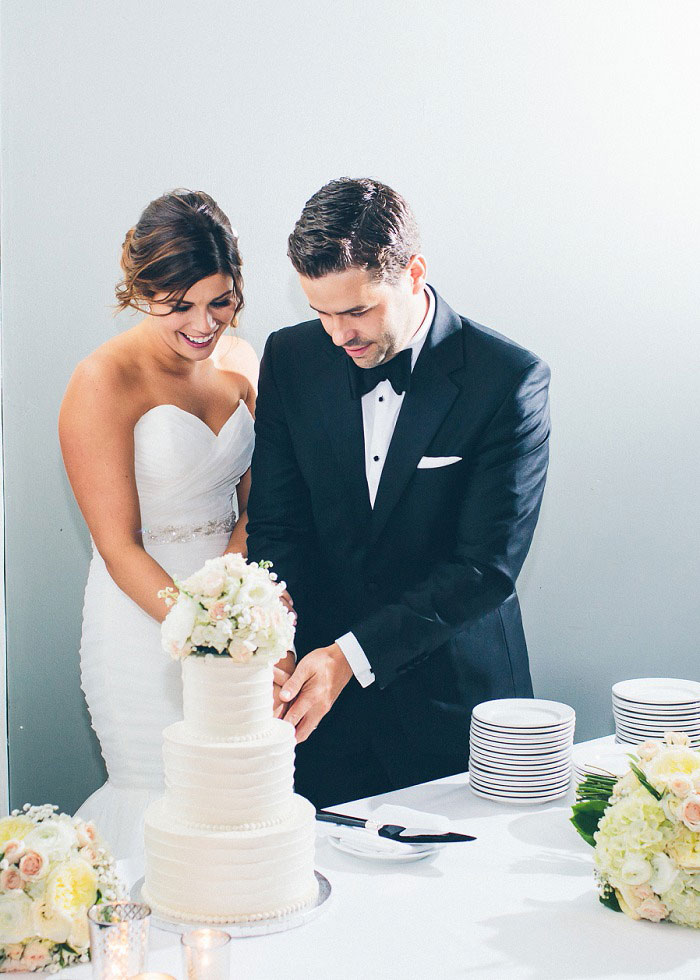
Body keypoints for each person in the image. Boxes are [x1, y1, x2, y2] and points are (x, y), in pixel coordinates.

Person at [246, 177, 551, 808]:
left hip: (454, 700)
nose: (338, 334)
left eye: (357, 311)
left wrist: (351, 657)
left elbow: (484, 568)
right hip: (319, 705)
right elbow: (277, 525)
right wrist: (274, 640)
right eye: (321, 312)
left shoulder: (509, 381)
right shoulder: (289, 357)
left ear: (413, 273)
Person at [60, 189, 293, 858]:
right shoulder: (103, 380)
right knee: (159, 800)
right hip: (142, 616)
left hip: (235, 602)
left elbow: (258, 505)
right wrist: (202, 628)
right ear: (141, 291)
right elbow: (116, 544)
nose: (204, 323)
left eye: (220, 301)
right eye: (180, 305)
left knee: (234, 799)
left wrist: (240, 606)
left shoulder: (243, 363)